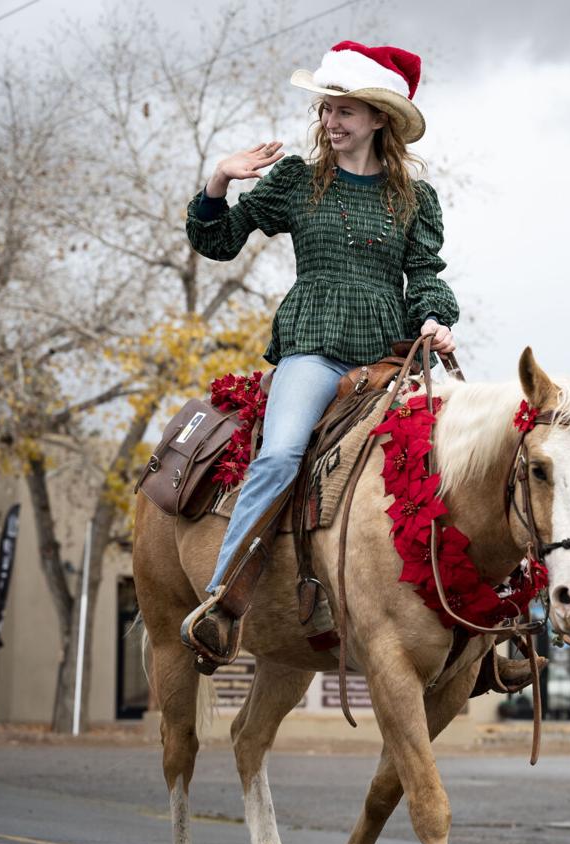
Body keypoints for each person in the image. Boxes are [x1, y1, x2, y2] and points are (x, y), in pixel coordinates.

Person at [180, 41, 457, 666]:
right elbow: (217, 241)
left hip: (389, 359)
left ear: (379, 118)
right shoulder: (296, 183)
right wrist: (219, 180)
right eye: (327, 110)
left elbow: (426, 275)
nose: (331, 122)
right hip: (314, 351)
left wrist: (436, 319)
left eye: (346, 112)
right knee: (278, 456)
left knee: (455, 460)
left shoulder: (414, 199)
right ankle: (222, 601)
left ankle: (481, 629)